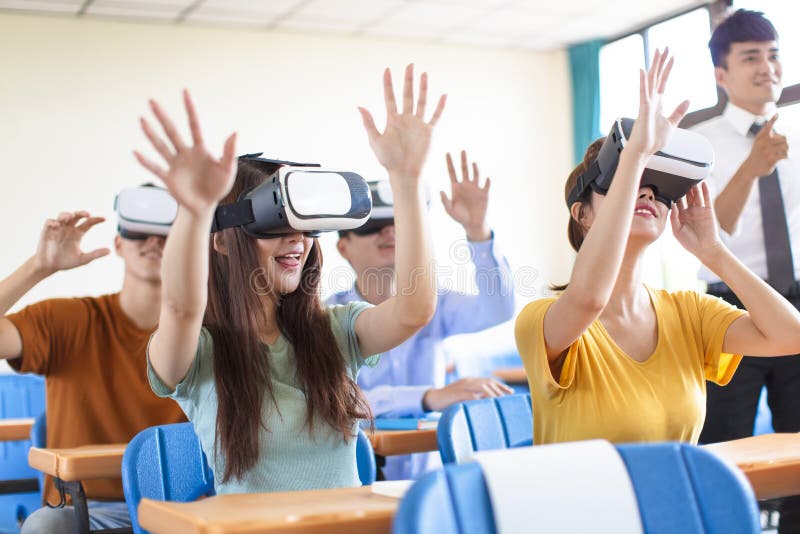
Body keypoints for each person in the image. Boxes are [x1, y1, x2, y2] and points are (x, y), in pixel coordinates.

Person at [134, 64, 445, 493]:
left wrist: (406, 180)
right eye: (274, 226)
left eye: (304, 226)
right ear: (223, 243)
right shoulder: (198, 354)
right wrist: (195, 211)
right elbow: (181, 307)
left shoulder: (335, 332)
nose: (297, 241)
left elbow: (415, 309)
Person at [515, 49, 800, 448]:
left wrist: (714, 252)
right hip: (584, 509)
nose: (647, 191)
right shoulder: (540, 320)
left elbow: (791, 336)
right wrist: (635, 155)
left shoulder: (688, 313)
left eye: (658, 188)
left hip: (673, 506)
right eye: (629, 183)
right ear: (582, 214)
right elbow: (589, 299)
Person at [329, 150, 515, 480]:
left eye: (398, 222)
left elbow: (497, 308)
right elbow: (344, 401)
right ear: (344, 247)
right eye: (373, 225)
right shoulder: (329, 317)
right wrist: (430, 397)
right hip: (358, 480)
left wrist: (477, 230)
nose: (390, 232)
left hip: (431, 473)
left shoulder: (436, 303)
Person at [0, 208, 187, 533]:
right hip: (84, 509)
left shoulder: (202, 334)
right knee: (45, 527)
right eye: (139, 231)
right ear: (118, 243)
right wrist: (38, 267)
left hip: (181, 505)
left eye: (165, 232)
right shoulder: (68, 320)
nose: (154, 241)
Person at [690, 9, 800, 531]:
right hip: (728, 307)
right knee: (727, 443)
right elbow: (709, 233)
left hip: (796, 302)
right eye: (751, 56)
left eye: (774, 54)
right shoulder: (700, 142)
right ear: (721, 74)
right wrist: (753, 165)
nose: (767, 67)